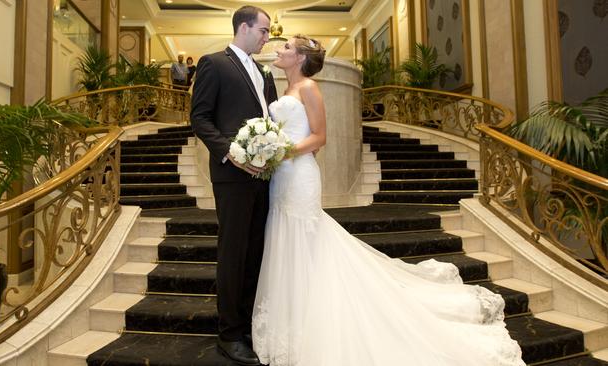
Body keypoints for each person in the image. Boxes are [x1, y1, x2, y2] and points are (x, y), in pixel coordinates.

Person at [251, 35, 527, 366]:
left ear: (299, 58)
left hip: (298, 175)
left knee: (305, 237)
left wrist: (281, 151)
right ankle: (296, 312)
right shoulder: (286, 90)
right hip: (282, 177)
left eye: (285, 48)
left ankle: (316, 314)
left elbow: (320, 137)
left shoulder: (309, 87)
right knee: (289, 237)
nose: (277, 51)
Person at [189, 5, 277, 366]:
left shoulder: (263, 71)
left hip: (263, 177)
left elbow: (270, 117)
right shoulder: (214, 63)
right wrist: (231, 153)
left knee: (255, 251)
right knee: (234, 251)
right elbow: (199, 117)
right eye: (264, 30)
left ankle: (247, 324)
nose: (267, 37)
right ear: (243, 27)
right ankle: (228, 334)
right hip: (232, 174)